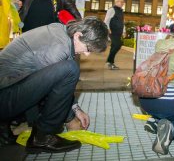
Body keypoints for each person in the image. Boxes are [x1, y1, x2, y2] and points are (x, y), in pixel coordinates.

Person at [0, 17, 109, 152]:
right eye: (88, 48)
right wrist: (70, 119)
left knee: (68, 69)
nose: (86, 54)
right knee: (70, 69)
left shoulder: (60, 31)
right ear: (78, 35)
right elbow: (50, 90)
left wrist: (76, 109)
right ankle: (42, 137)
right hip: (4, 99)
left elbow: (45, 82)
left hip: (8, 88)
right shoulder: (57, 48)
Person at [104, 0, 125, 70]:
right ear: (116, 2)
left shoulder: (121, 11)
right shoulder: (112, 9)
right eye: (121, 2)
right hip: (112, 31)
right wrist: (108, 29)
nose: (122, 3)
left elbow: (122, 22)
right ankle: (109, 61)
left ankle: (110, 63)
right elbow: (106, 20)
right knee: (118, 44)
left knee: (114, 46)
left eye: (123, 2)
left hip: (118, 32)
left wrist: (124, 31)